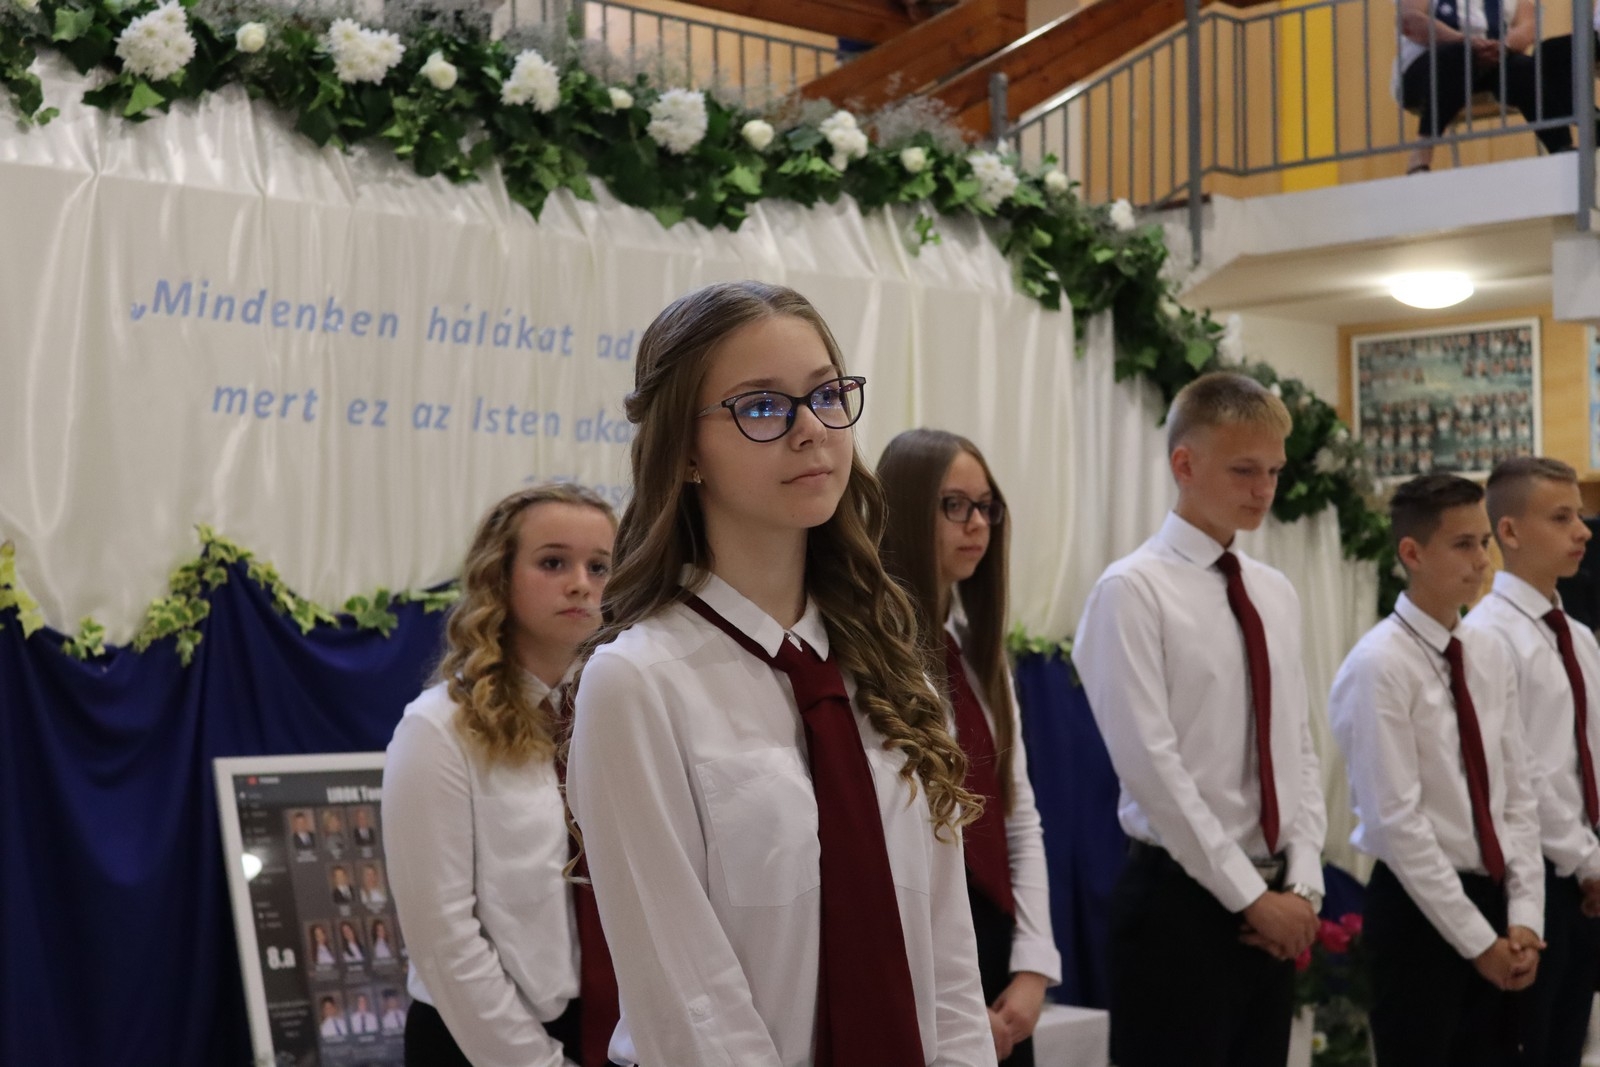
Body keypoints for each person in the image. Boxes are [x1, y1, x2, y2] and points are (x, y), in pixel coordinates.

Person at [566, 280, 996, 1067]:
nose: (812, 430)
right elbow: (687, 994)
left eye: (826, 395)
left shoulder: (890, 664)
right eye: (762, 406)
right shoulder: (637, 682)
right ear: (685, 451)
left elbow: (947, 960)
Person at [1072, 371, 1327, 1067]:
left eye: (1273, 470)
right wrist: (1250, 898)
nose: (1264, 489)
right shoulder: (1133, 589)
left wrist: (1302, 883)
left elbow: (1296, 746)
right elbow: (1151, 769)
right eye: (1245, 469)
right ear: (1184, 464)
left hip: (1272, 895)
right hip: (1178, 901)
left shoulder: (1273, 591)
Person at [385, 483, 621, 1067]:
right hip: (479, 1036)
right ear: (499, 577)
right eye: (553, 563)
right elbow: (443, 939)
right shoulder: (439, 728)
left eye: (599, 566)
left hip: (614, 1026)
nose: (581, 584)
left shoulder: (619, 718)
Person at [1329, 473, 1544, 1065]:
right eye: (1463, 544)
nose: (1482, 561)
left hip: (1495, 898)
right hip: (1420, 908)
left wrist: (1525, 916)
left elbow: (1517, 793)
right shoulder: (1379, 664)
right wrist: (1477, 942)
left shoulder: (1486, 651)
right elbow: (1396, 821)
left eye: (1485, 542)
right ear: (1412, 553)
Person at [877, 428, 1061, 1066]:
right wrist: (944, 992)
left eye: (986, 506)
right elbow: (882, 847)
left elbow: (1017, 815)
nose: (976, 523)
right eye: (953, 505)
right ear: (905, 510)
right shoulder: (873, 656)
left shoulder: (977, 653)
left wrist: (1032, 965)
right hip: (919, 953)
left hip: (995, 939)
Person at [1463, 457, 1600, 1067]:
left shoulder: (1578, 635)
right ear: (1510, 532)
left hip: (1585, 871)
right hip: (1532, 873)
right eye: (1561, 517)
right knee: (1525, 1045)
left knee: (1570, 1043)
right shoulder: (1488, 636)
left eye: (1580, 516)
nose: (1583, 531)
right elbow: (1520, 770)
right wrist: (1586, 860)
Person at [1396, 0, 1587, 172]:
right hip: (1428, 68)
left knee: (1525, 67)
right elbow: (1410, 19)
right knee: (1459, 56)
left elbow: (1529, 23)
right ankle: (1421, 153)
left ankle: (1562, 149)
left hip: (1492, 60)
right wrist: (1466, 42)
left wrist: (1505, 46)